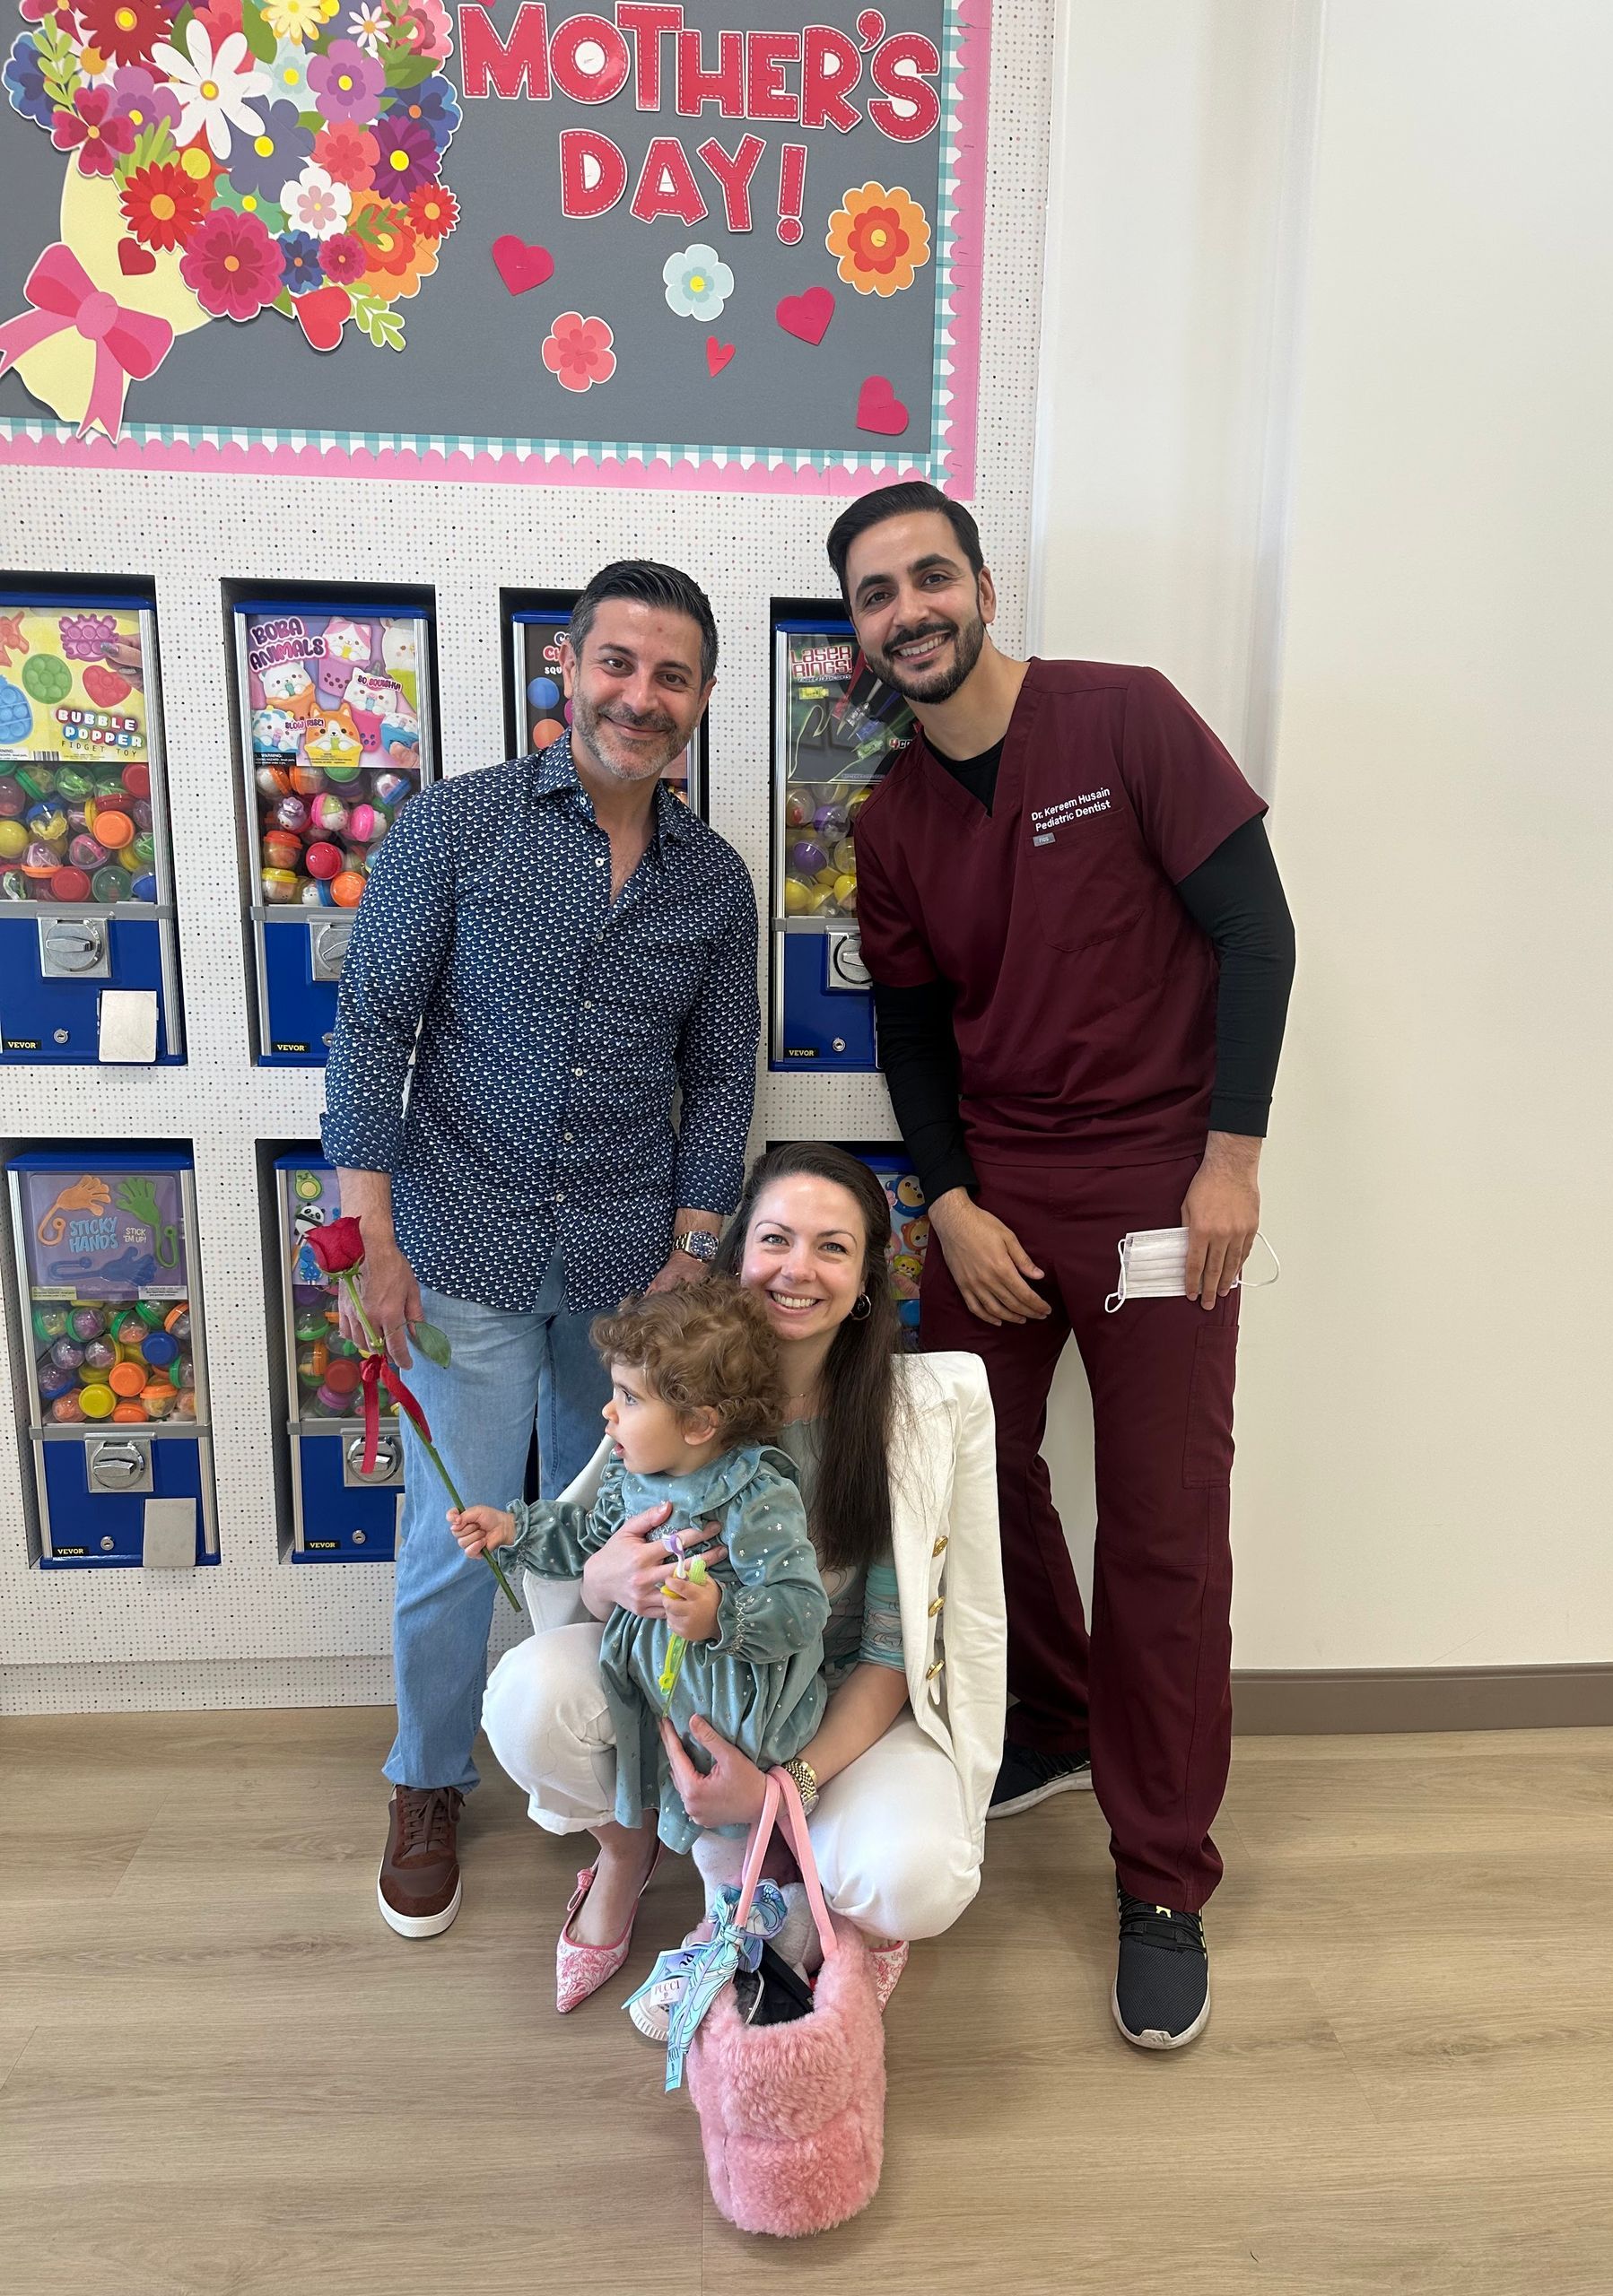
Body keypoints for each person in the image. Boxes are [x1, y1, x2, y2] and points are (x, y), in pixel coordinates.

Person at [825, 481, 1297, 2052]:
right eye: (878, 595)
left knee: (1166, 1531)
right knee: (961, 1479)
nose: (910, 611)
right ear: (861, 633)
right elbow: (907, 1029)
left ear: (981, 587)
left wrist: (1231, 1161)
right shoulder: (889, 824)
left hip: (1165, 1194)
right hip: (997, 1204)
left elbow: (1258, 932)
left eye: (929, 577)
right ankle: (1067, 1715)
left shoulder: (1129, 721)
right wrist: (947, 1201)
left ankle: (1162, 1880)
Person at [321, 560, 759, 1942]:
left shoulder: (714, 879)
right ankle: (429, 1779)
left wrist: (696, 1248)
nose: (642, 696)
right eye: (618, 664)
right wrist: (369, 1235)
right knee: (454, 1543)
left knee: (620, 1536)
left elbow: (723, 1075)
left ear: (699, 700)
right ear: (565, 669)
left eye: (672, 675)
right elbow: (369, 1032)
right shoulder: (456, 828)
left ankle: (605, 1786)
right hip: (459, 1251)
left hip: (634, 1274)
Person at [480, 1142, 1006, 2008]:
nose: (797, 1269)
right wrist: (611, 1577)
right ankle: (628, 1851)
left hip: (833, 1708)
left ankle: (803, 1870)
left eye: (832, 1247)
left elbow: (886, 1653)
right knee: (529, 1699)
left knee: (915, 1877)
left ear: (869, 1274)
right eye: (775, 1239)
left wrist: (781, 1785)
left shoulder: (902, 1426)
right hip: (688, 1685)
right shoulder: (670, 1393)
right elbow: (597, 1548)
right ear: (738, 1256)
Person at [448, 1280, 831, 2010]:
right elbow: (587, 1539)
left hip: (725, 1706)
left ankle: (742, 1935)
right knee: (639, 1781)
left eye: (627, 1398)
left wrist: (722, 1614)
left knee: (721, 1829)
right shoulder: (632, 1474)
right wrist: (515, 1529)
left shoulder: (756, 1496)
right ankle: (647, 1862)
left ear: (698, 1423)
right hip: (649, 1682)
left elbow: (801, 1608)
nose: (607, 1412)